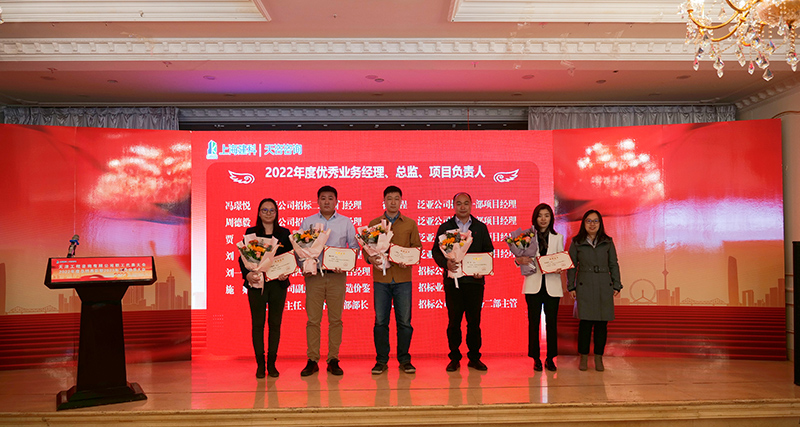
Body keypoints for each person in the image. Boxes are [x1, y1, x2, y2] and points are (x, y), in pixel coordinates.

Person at [299, 185, 358, 377]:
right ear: (317, 201)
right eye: (323, 198)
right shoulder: (308, 222)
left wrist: (346, 263)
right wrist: (304, 267)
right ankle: (312, 359)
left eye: (330, 198)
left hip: (337, 276)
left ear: (336, 201)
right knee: (313, 320)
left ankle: (333, 359)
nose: (326, 201)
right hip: (314, 276)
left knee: (336, 320)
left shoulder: (345, 222)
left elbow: (355, 247)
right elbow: (299, 248)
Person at [431, 192, 494, 372]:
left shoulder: (480, 227)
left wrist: (482, 270)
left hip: (475, 283)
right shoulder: (445, 228)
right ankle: (454, 357)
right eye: (459, 203)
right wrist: (446, 264)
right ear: (454, 206)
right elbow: (435, 251)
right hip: (453, 283)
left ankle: (474, 357)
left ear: (471, 205)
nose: (463, 207)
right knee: (454, 322)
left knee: (474, 322)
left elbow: (489, 251)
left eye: (466, 203)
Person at [365, 186, 422, 375]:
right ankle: (381, 360)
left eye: (396, 198)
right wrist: (370, 258)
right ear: (384, 200)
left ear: (401, 201)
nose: (393, 202)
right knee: (380, 322)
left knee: (404, 322)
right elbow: (367, 250)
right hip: (381, 280)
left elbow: (417, 248)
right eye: (389, 198)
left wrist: (409, 259)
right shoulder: (374, 224)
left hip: (403, 279)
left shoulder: (410, 224)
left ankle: (404, 359)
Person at [239, 198, 292, 378]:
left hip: (278, 284)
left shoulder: (284, 233)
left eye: (272, 210)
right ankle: (260, 365)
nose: (268, 213)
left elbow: (290, 257)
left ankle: (272, 363)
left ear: (276, 213)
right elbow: (242, 257)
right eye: (264, 210)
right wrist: (247, 274)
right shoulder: (251, 233)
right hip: (256, 284)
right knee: (258, 324)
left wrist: (286, 272)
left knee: (275, 324)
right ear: (259, 213)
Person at [566, 210, 622, 372]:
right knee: (585, 324)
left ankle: (598, 357)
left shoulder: (607, 241)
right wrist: (571, 286)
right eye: (589, 221)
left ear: (600, 223)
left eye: (595, 221)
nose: (592, 224)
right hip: (584, 284)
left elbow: (613, 264)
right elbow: (571, 266)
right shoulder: (577, 242)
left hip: (604, 284)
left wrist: (617, 284)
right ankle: (583, 357)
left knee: (601, 324)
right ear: (583, 223)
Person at [515, 203, 564, 372]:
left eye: (546, 216)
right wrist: (518, 260)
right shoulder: (527, 237)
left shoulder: (558, 237)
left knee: (552, 324)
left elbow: (561, 258)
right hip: (533, 285)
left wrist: (560, 267)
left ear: (551, 218)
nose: (543, 219)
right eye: (540, 215)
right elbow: (519, 258)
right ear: (535, 218)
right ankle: (535, 358)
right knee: (533, 323)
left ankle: (550, 358)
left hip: (552, 285)